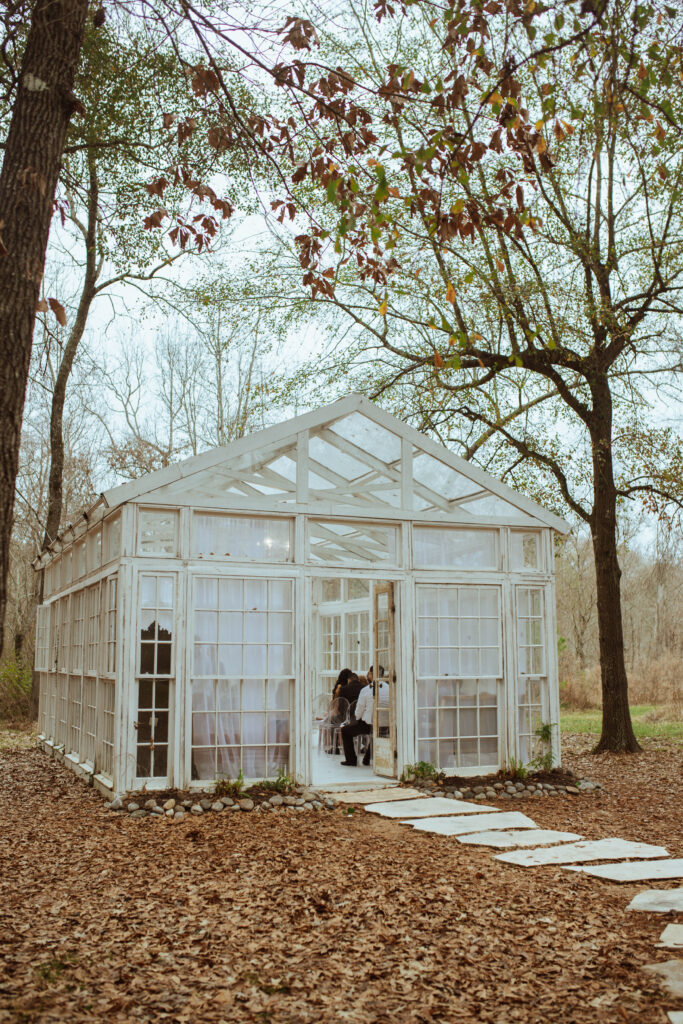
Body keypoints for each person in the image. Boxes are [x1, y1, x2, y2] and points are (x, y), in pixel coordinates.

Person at [340, 677, 374, 766]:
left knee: (345, 731)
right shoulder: (388, 688)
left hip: (368, 723)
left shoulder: (366, 690)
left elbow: (359, 710)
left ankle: (351, 760)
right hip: (383, 724)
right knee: (376, 733)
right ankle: (367, 758)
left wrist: (357, 718)